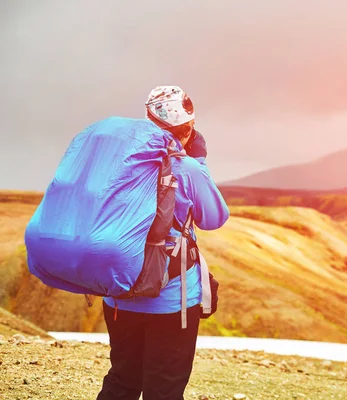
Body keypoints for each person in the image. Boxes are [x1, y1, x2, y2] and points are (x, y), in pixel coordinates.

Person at [96, 86, 229, 400]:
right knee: (164, 390)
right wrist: (200, 162)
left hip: (119, 294)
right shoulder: (189, 168)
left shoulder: (118, 164)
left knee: (122, 381)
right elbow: (213, 219)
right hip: (172, 300)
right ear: (187, 130)